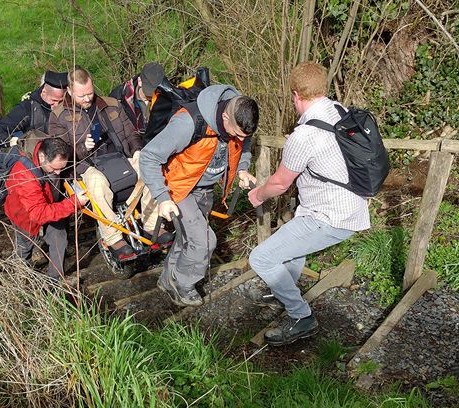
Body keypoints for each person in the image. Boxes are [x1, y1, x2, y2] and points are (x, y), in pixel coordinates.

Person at [248, 62, 370, 346]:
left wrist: (257, 195)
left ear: (295, 95)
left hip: (328, 217)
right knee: (292, 243)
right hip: (352, 207)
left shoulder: (304, 136)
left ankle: (302, 317)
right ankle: (283, 290)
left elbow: (279, 184)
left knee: (261, 258)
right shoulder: (339, 112)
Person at [140, 86, 259, 307]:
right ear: (225, 116)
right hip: (179, 187)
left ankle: (167, 280)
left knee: (189, 238)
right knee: (204, 241)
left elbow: (245, 144)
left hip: (205, 189)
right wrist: (162, 196)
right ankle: (184, 284)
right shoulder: (188, 122)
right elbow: (148, 156)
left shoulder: (238, 117)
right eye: (236, 134)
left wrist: (242, 168)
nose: (239, 139)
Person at [48, 66, 171, 261]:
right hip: (86, 165)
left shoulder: (112, 104)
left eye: (90, 93)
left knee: (148, 167)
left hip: (119, 157)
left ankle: (151, 223)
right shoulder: (59, 116)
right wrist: (81, 147)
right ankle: (113, 237)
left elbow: (131, 134)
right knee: (97, 182)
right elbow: (59, 155)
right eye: (81, 96)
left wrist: (138, 151)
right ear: (70, 92)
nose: (87, 99)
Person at [4, 135, 88, 280]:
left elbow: (67, 163)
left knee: (59, 239)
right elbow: (39, 214)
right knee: (25, 246)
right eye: (54, 168)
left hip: (53, 204)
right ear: (42, 157)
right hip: (23, 213)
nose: (58, 173)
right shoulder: (24, 174)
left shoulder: (52, 150)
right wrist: (74, 203)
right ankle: (22, 275)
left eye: (61, 168)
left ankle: (54, 280)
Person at [0, 70, 68, 148]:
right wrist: (14, 142)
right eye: (53, 100)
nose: (57, 105)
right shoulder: (27, 108)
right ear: (44, 92)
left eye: (61, 101)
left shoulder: (71, 103)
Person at [109, 62, 165, 135]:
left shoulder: (168, 97)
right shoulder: (119, 98)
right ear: (140, 81)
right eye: (149, 92)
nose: (153, 96)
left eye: (156, 91)